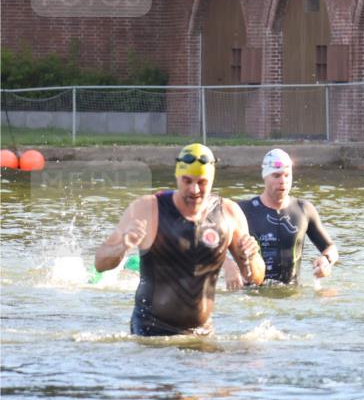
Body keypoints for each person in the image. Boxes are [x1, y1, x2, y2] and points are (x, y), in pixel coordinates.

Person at [95, 143, 265, 336]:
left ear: (212, 180)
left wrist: (250, 257)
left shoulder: (228, 213)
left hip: (202, 332)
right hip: (150, 332)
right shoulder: (148, 208)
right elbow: (100, 263)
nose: (194, 190)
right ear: (176, 177)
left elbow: (256, 278)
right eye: (187, 181)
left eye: (202, 182)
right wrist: (122, 245)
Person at [223, 149, 338, 289]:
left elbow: (331, 248)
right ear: (265, 177)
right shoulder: (243, 210)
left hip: (291, 292)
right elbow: (208, 241)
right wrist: (228, 264)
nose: (283, 181)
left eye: (287, 175)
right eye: (276, 176)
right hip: (252, 295)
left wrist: (326, 261)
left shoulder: (303, 209)